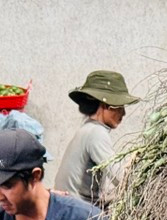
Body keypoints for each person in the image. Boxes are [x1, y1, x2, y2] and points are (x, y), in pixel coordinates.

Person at [54, 70, 140, 207]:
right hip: (76, 210)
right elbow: (122, 178)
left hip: (68, 205)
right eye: (119, 107)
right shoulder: (96, 133)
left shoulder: (87, 129)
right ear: (104, 105)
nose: (123, 113)